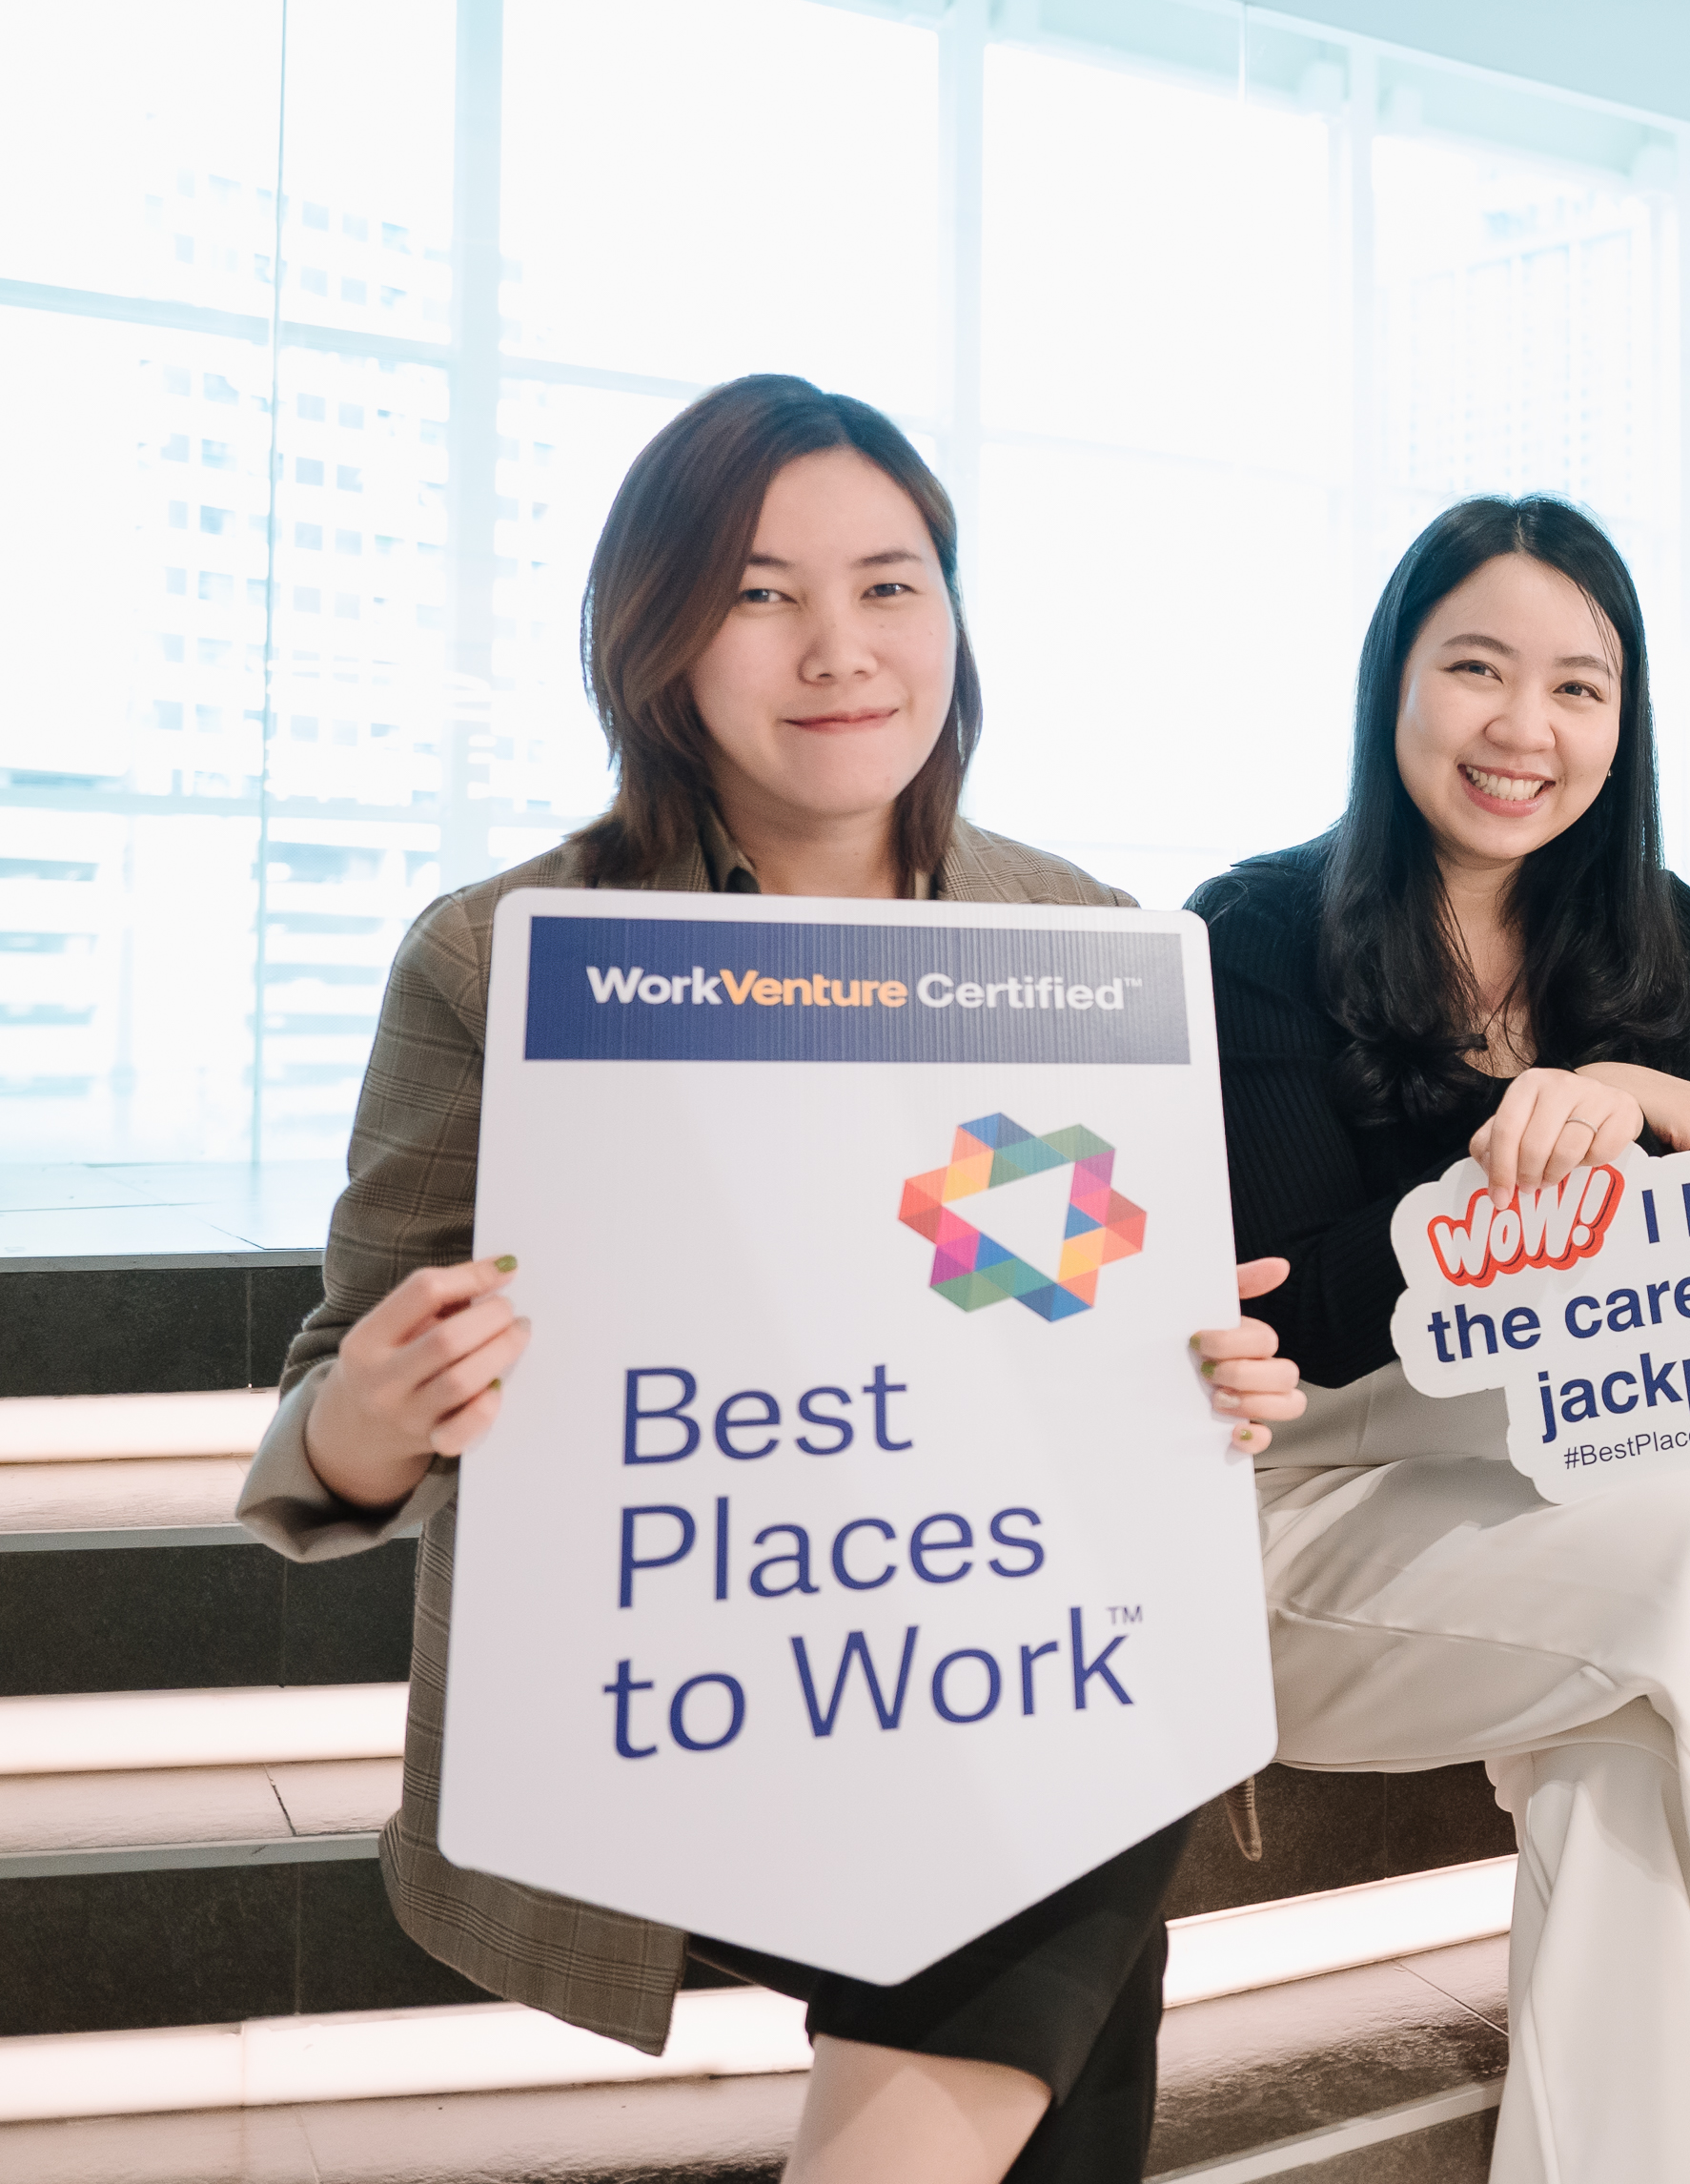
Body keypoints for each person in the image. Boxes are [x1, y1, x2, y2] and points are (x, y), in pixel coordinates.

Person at [234, 376, 1220, 2183]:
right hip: (675, 1691)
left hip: (970, 1629)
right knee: (1072, 1827)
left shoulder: (1082, 942)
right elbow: (324, 1427)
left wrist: (1202, 1385)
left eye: (890, 585)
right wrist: (377, 1411)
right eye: (762, 594)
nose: (840, 647)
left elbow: (1095, 1381)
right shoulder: (505, 959)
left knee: (1069, 1777)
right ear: (658, 641)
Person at [1184, 497, 1690, 2184]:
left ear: (1623, 720)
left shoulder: (1656, 935)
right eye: (1476, 669)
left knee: (1638, 1758)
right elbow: (1297, 1307)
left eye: (1578, 686)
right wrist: (1522, 1155)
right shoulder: (1255, 932)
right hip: (1293, 1512)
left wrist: (1652, 1105)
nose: (1526, 727)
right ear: (1393, 680)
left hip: (1564, 1493)